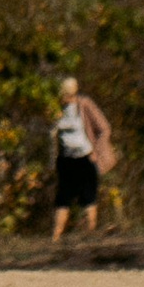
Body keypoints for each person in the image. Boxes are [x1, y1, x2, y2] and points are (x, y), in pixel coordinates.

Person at [49, 73, 115, 241]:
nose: (64, 97)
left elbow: (104, 128)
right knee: (63, 197)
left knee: (88, 196)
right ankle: (55, 237)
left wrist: (96, 151)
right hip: (66, 159)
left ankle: (90, 235)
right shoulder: (56, 110)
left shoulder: (84, 105)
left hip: (85, 157)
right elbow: (53, 134)